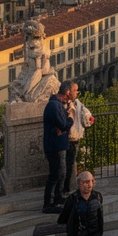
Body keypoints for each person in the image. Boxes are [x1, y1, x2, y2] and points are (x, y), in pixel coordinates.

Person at [42, 83, 73, 213]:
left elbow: (62, 125)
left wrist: (64, 124)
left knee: (60, 173)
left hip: (57, 144)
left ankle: (57, 197)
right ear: (67, 93)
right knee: (55, 174)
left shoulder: (56, 105)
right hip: (54, 146)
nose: (70, 97)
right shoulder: (54, 106)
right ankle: (48, 204)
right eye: (71, 93)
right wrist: (70, 118)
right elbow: (64, 124)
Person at [64, 82, 94, 195]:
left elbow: (85, 113)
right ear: (69, 92)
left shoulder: (77, 103)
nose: (77, 92)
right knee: (66, 165)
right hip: (67, 138)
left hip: (74, 136)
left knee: (70, 163)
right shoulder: (64, 104)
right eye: (75, 90)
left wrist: (89, 118)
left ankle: (67, 187)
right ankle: (65, 188)